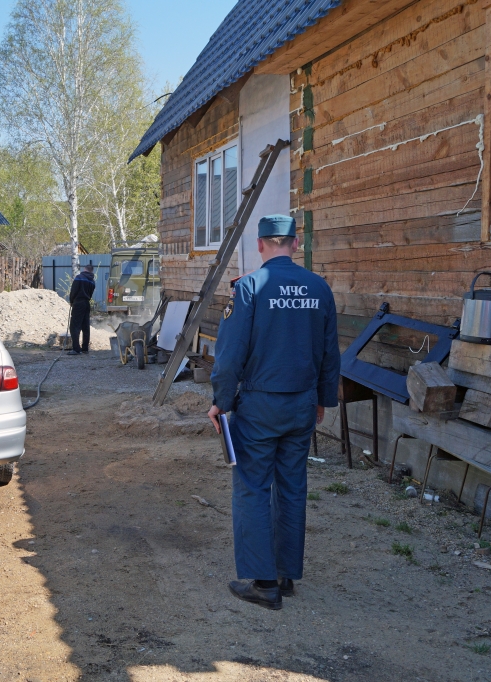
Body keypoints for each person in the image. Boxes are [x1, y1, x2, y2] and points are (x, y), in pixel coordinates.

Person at [207, 214, 340, 610]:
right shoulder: (320, 288)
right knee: (292, 486)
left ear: (261, 244)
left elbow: (229, 355)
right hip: (301, 404)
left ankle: (264, 584)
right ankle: (285, 575)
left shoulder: (249, 288)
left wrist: (221, 400)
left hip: (260, 406)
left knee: (251, 486)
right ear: (295, 244)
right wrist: (322, 399)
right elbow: (330, 354)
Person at [67, 264, 96, 355]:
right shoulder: (92, 281)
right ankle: (85, 348)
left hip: (78, 303)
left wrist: (71, 301)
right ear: (91, 271)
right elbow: (90, 293)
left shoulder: (79, 277)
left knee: (75, 326)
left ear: (85, 269)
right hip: (86, 303)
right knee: (85, 326)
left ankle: (76, 349)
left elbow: (74, 290)